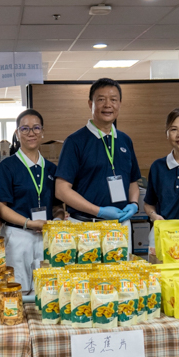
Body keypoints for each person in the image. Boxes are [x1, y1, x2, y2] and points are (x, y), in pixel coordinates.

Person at [55, 78, 141, 243]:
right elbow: (61, 190)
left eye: (113, 100)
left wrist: (134, 204)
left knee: (122, 270)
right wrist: (99, 211)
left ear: (120, 104)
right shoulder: (75, 141)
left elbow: (132, 182)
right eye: (101, 99)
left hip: (120, 227)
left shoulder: (125, 140)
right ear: (90, 103)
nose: (108, 105)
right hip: (86, 227)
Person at [0, 109, 64, 293]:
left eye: (36, 128)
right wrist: (29, 222)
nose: (31, 133)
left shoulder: (51, 169)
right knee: (19, 291)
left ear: (43, 132)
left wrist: (57, 220)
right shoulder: (7, 166)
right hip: (18, 237)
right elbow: (0, 207)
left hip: (46, 237)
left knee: (48, 291)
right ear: (17, 133)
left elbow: (57, 206)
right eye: (24, 128)